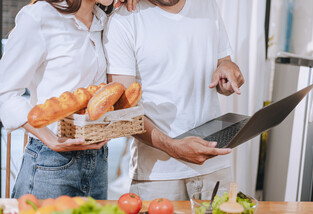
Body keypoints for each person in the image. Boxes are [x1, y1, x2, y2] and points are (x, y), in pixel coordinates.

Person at [104, 0, 245, 200]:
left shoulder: (208, 6)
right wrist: (172, 146)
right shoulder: (123, 20)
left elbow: (223, 64)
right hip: (158, 175)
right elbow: (124, 110)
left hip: (214, 166)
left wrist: (228, 73)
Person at [0, 0, 137, 199]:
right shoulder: (40, 16)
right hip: (51, 162)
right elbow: (5, 92)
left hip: (98, 160)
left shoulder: (103, 20)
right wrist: (51, 139)